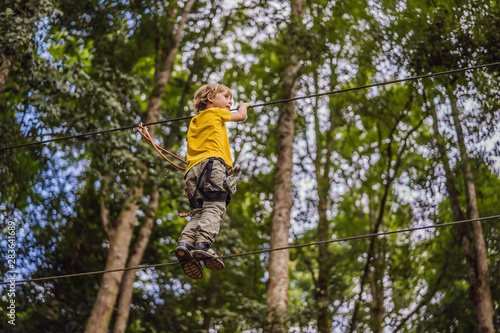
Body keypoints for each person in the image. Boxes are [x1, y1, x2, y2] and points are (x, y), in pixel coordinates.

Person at [172, 83, 251, 279]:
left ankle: (185, 244)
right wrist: (244, 106)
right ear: (210, 98)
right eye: (226, 97)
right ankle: (202, 245)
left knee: (199, 212)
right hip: (213, 165)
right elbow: (241, 116)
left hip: (192, 172)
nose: (230, 102)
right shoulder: (215, 113)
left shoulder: (194, 122)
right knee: (215, 206)